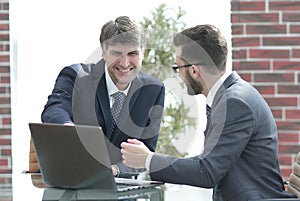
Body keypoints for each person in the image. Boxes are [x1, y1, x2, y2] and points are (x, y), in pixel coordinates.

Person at [121, 24, 297, 200]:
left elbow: (207, 172)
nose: (178, 75)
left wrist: (148, 160)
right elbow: (211, 161)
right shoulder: (230, 97)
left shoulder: (235, 102)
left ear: (194, 70)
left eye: (178, 68)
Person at [41, 16, 165, 177]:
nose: (125, 63)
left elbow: (145, 153)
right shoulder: (75, 76)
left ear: (143, 53)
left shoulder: (153, 90)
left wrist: (115, 171)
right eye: (116, 53)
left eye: (132, 53)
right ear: (103, 52)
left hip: (122, 190)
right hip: (72, 185)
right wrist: (70, 132)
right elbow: (54, 109)